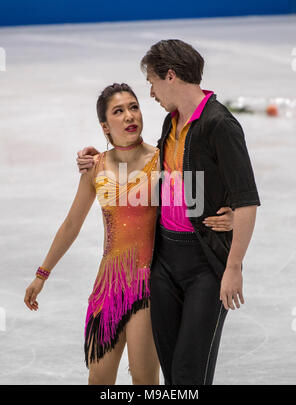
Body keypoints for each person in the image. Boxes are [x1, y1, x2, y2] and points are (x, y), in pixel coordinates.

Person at [24, 81, 235, 385]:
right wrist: (42, 274)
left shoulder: (160, 161)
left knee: (144, 377)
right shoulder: (96, 167)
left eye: (133, 107)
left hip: (149, 286)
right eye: (118, 111)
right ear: (105, 126)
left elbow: (199, 190)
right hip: (107, 286)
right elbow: (72, 224)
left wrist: (228, 214)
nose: (129, 116)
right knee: (99, 378)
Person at [76, 40, 261, 386]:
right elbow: (171, 181)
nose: (151, 92)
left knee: (190, 376)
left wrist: (233, 264)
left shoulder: (219, 125)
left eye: (152, 82)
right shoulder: (171, 124)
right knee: (173, 373)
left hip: (205, 265)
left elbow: (247, 198)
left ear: (171, 76)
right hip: (164, 262)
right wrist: (97, 158)